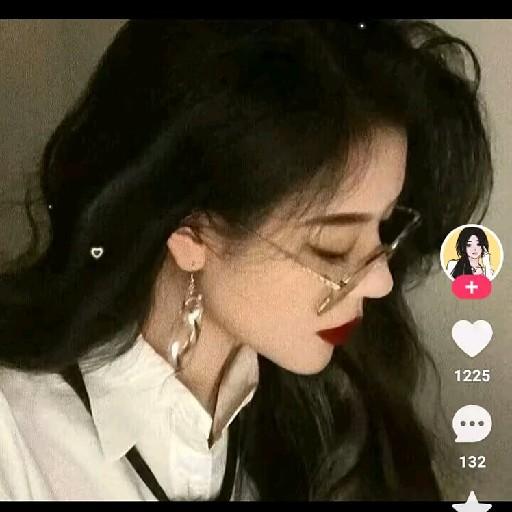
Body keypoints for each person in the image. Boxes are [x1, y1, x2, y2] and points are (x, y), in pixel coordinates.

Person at [0, 20, 493, 501]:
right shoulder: (18, 444)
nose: (381, 281)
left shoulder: (327, 417)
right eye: (333, 246)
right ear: (190, 235)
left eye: (385, 226)